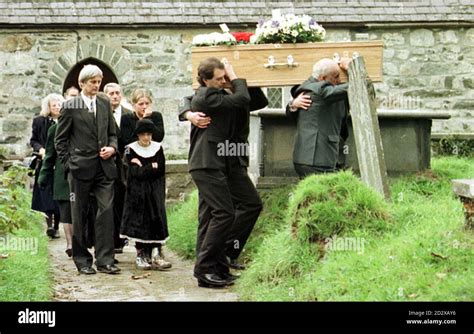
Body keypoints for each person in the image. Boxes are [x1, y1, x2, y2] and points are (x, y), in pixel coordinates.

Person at [178, 57, 267, 288]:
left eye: (224, 76)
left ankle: (220, 261)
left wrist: (246, 75)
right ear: (205, 80)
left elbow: (257, 100)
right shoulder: (207, 95)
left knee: (221, 213)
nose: (223, 80)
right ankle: (206, 267)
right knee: (223, 213)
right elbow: (241, 97)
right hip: (208, 162)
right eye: (218, 78)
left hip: (228, 161)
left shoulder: (227, 95)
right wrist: (235, 76)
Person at [55, 64, 120, 275]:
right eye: (92, 82)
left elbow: (112, 132)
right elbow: (60, 140)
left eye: (98, 81)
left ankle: (105, 260)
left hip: (104, 168)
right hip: (79, 169)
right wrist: (69, 164)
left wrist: (112, 148)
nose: (96, 85)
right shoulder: (70, 105)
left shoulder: (103, 101)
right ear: (82, 83)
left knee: (106, 212)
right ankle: (82, 260)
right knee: (79, 214)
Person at [286, 58, 352, 178]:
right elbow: (359, 87)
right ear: (322, 78)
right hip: (317, 159)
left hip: (311, 158)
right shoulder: (320, 89)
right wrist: (351, 69)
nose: (339, 80)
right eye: (336, 77)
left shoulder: (311, 88)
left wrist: (292, 104)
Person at [120, 119, 171, 270]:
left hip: (155, 190)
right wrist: (150, 167)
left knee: (156, 218)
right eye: (143, 134)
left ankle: (156, 252)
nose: (146, 138)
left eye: (149, 134)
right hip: (137, 193)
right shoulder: (129, 149)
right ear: (138, 135)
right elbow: (134, 173)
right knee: (140, 221)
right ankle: (141, 254)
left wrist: (143, 166)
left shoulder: (158, 148)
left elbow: (160, 169)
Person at [38, 99, 73, 257]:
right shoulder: (54, 130)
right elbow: (50, 156)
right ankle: (70, 243)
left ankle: (80, 241)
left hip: (81, 175)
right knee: (66, 210)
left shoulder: (82, 129)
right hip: (62, 176)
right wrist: (44, 176)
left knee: (79, 209)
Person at [104, 82, 132, 254]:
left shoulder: (129, 115)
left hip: (127, 165)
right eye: (111, 93)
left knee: (124, 201)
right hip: (109, 164)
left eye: (117, 93)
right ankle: (113, 239)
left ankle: (123, 236)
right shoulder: (101, 114)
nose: (115, 96)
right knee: (110, 202)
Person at [30, 93, 63, 239]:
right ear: (48, 107)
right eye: (53, 105)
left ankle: (56, 226)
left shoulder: (65, 121)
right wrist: (41, 149)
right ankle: (49, 226)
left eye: (58, 104)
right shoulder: (39, 121)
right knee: (45, 195)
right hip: (45, 163)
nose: (56, 107)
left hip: (61, 164)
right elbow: (34, 140)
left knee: (58, 196)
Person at [120, 88, 164, 153]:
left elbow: (159, 137)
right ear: (134, 105)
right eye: (141, 104)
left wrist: (147, 119)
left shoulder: (156, 116)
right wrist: (143, 121)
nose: (144, 106)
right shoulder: (126, 118)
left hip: (152, 153)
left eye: (147, 103)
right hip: (133, 153)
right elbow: (127, 140)